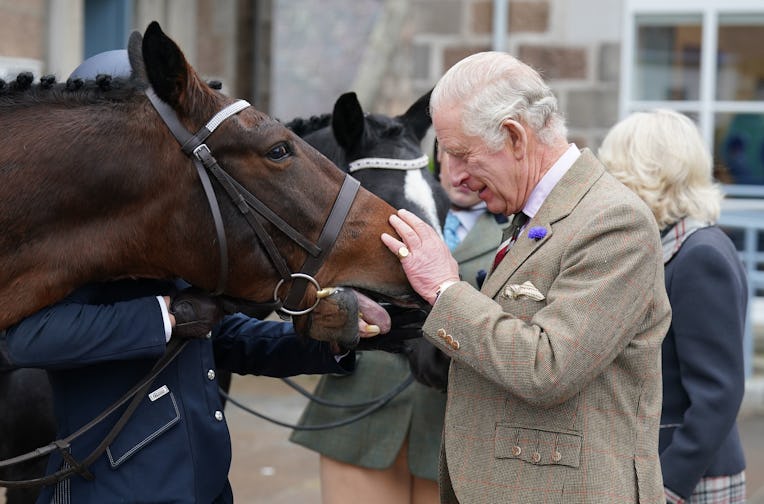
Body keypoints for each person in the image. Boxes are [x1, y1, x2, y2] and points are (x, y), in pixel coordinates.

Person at [0, 51, 362, 504]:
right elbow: (26, 340)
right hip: (110, 491)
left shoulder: (159, 245)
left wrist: (331, 344)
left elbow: (221, 336)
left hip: (206, 487)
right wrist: (167, 315)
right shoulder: (65, 255)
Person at [379, 51, 672, 504]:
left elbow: (548, 368)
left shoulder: (614, 222)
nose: (451, 176)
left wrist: (444, 287)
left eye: (460, 154)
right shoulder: (534, 213)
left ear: (515, 136)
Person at [288, 143, 503, 504]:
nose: (462, 174)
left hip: (448, 432)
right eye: (454, 158)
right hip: (359, 414)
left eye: (476, 160)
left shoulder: (516, 232)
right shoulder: (389, 205)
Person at [598, 109, 748, 504]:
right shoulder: (669, 245)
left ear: (643, 172)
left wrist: (667, 488)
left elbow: (719, 393)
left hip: (687, 479)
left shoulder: (700, 255)